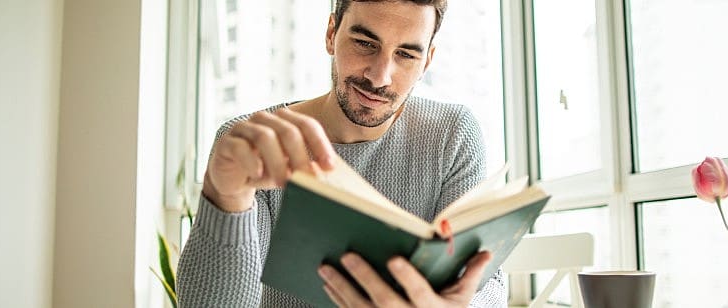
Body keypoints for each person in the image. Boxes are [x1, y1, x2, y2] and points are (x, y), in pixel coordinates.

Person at [176, 0, 506, 306]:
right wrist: (227, 199)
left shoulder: (453, 134)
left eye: (406, 55)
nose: (380, 77)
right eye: (365, 43)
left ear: (427, 61)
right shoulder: (259, 146)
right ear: (331, 34)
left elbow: (483, 281)